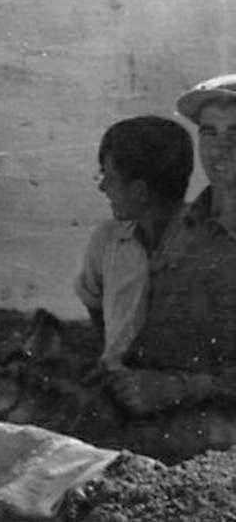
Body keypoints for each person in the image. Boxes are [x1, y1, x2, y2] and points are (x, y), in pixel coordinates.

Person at [104, 74, 236, 416]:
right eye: (209, 133)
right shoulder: (184, 226)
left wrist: (176, 388)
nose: (222, 147)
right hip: (156, 411)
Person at [75, 117, 193, 370]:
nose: (102, 186)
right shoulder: (107, 241)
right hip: (117, 388)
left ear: (140, 191)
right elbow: (96, 308)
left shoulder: (206, 242)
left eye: (109, 176)